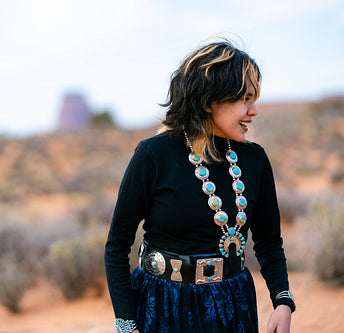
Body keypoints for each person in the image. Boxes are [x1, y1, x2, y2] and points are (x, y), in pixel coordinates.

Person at [104, 38, 295, 333]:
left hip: (233, 305)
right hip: (163, 306)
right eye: (245, 99)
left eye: (254, 99)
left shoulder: (255, 159)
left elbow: (269, 241)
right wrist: (126, 325)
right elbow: (117, 246)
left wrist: (282, 301)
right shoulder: (154, 155)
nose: (254, 110)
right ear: (209, 101)